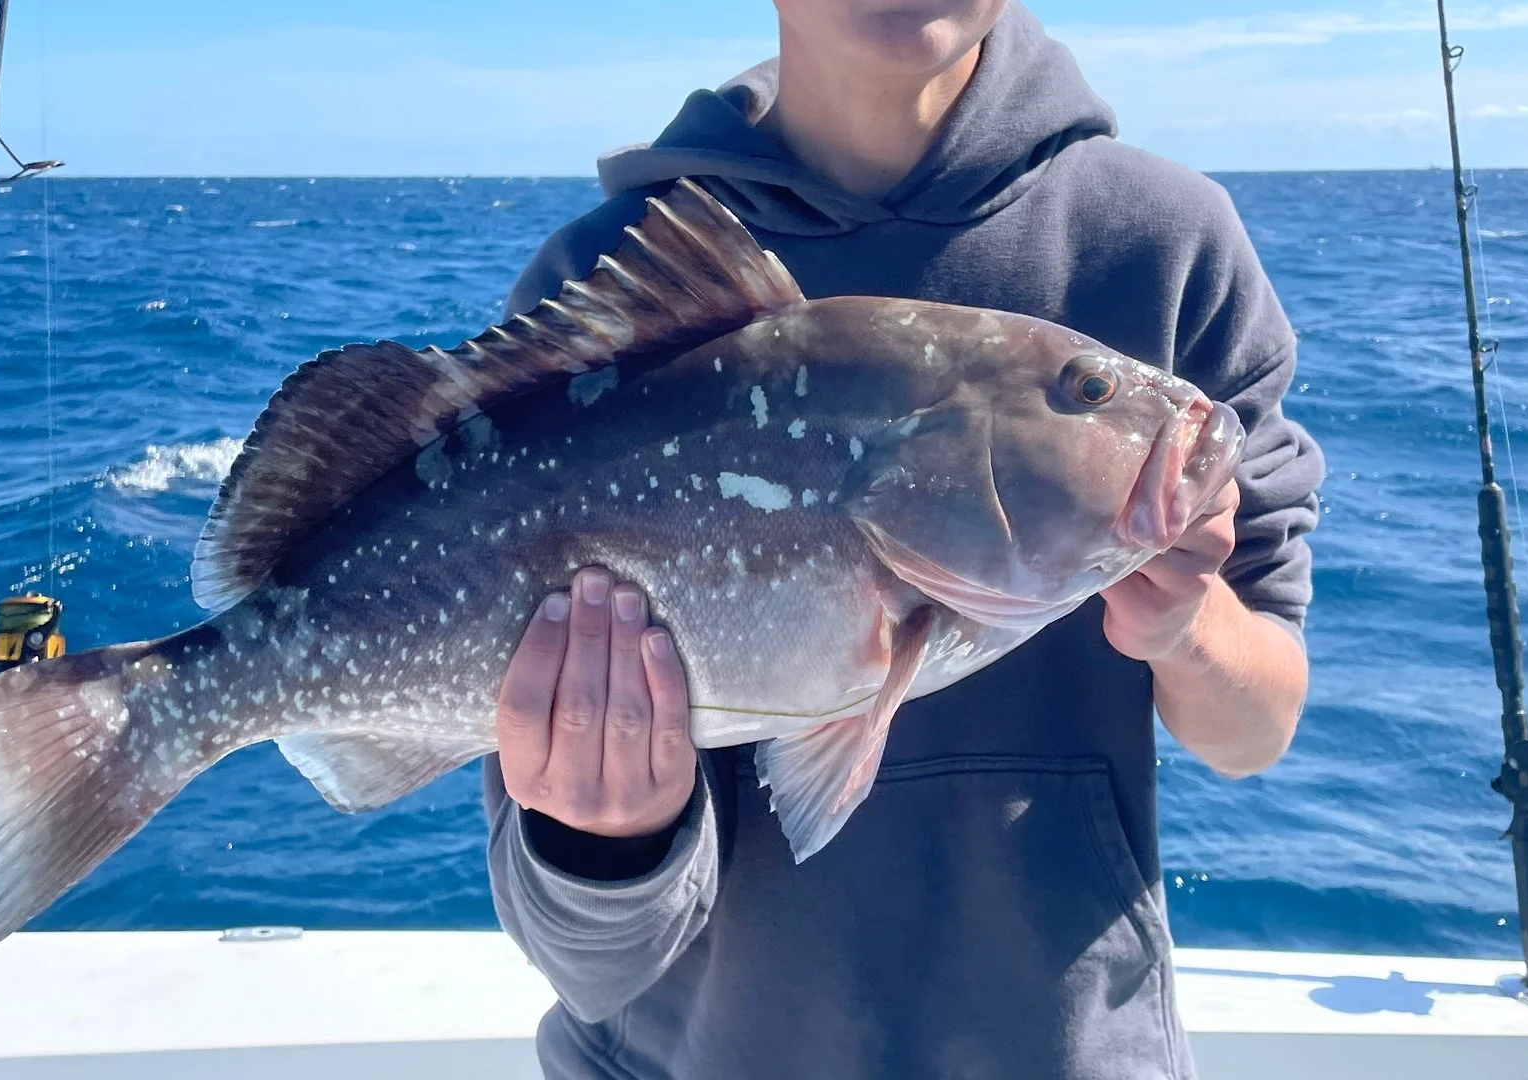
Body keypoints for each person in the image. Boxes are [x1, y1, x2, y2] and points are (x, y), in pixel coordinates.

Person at [481, 2, 1325, 1077]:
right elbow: (589, 962)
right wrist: (604, 834)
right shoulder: (614, 275)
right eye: (1087, 391)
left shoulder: (1164, 247)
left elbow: (1257, 729)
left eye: (1086, 386)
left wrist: (1186, 623)